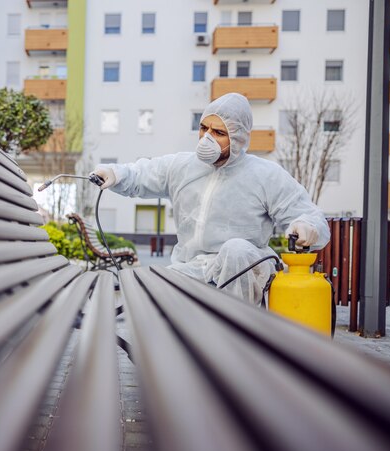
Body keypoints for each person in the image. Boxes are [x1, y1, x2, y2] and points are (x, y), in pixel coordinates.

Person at [91, 93, 330, 306]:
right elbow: (142, 173)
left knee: (235, 250)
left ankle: (237, 335)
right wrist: (115, 174)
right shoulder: (182, 167)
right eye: (204, 128)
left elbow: (307, 214)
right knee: (148, 286)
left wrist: (306, 227)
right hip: (193, 269)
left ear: (238, 139)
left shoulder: (265, 175)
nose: (207, 138)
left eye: (218, 133)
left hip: (243, 271)